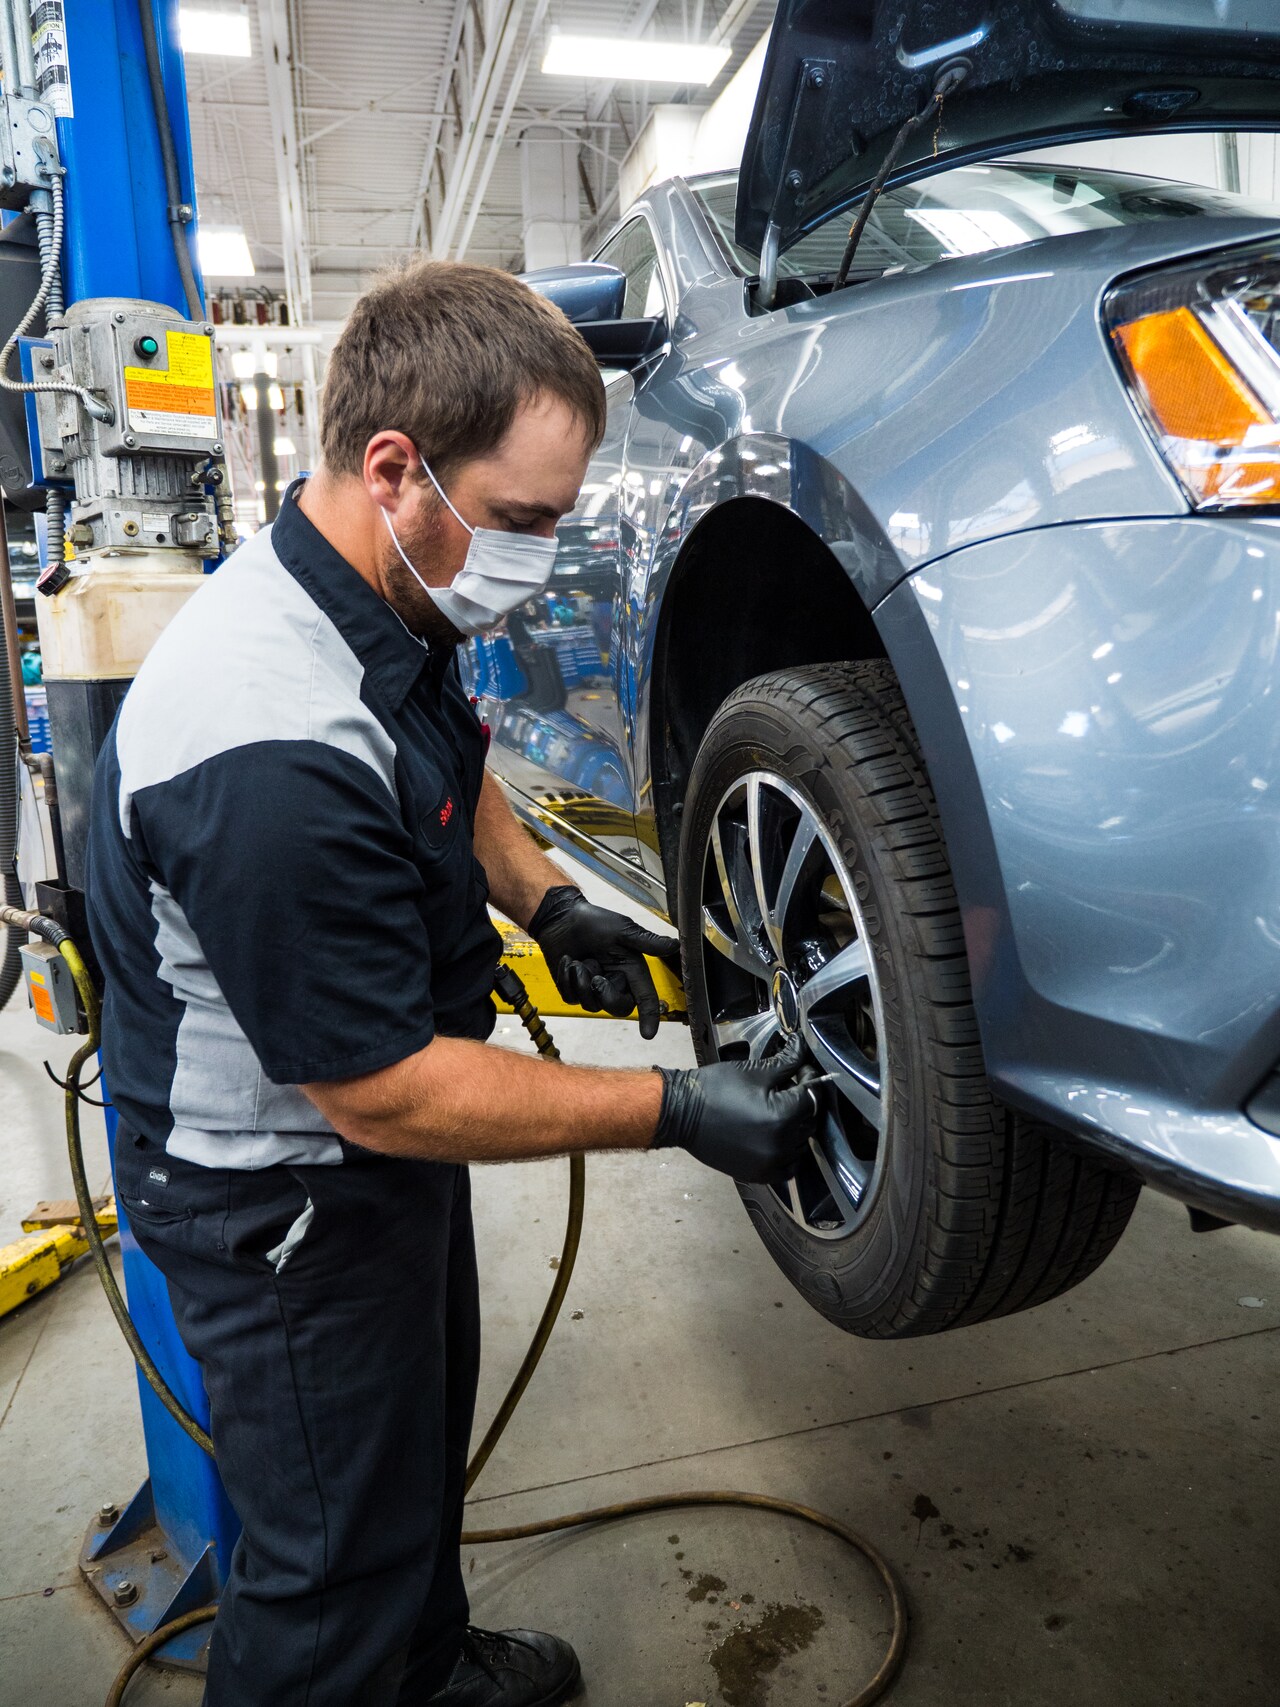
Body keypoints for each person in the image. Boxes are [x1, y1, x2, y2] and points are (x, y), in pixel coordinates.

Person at [84, 260, 819, 1707]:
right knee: (323, 1575)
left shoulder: (380, 591)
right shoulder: (264, 749)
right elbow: (382, 1095)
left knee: (409, 1461)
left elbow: (449, 753)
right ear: (395, 468)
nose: (537, 557)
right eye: (524, 521)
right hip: (278, 1196)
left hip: (367, 1149)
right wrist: (673, 1109)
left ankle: (425, 1670)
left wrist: (550, 900)